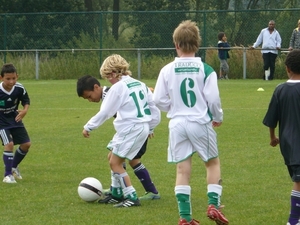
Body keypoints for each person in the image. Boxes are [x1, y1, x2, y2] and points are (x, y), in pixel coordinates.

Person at [153, 20, 229, 225]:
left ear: (176, 44)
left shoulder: (167, 70)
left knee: (182, 169)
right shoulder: (206, 69)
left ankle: (185, 218)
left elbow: (158, 99)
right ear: (197, 44)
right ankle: (213, 205)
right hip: (199, 121)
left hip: (176, 124)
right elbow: (213, 99)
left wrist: (175, 109)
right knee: (212, 163)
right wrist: (218, 117)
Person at [80, 55, 160, 208]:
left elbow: (105, 112)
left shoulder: (117, 88)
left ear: (112, 73)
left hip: (131, 127)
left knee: (115, 163)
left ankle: (131, 196)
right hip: (138, 127)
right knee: (111, 156)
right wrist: (151, 127)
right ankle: (116, 193)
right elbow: (154, 109)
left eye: (108, 77)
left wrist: (88, 126)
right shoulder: (140, 84)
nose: (108, 80)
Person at [263, 49, 300, 225]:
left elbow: (272, 119)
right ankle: (293, 220)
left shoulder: (280, 90)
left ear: (287, 69)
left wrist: (272, 137)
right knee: (299, 182)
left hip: (287, 145)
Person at [0, 63, 31, 183]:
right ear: (1, 78)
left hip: (15, 119)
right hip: (1, 122)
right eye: (8, 79)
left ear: (17, 76)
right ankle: (8, 175)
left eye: (13, 78)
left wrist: (24, 111)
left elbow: (26, 100)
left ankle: (13, 166)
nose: (11, 81)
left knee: (26, 144)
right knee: (9, 144)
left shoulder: (19, 88)